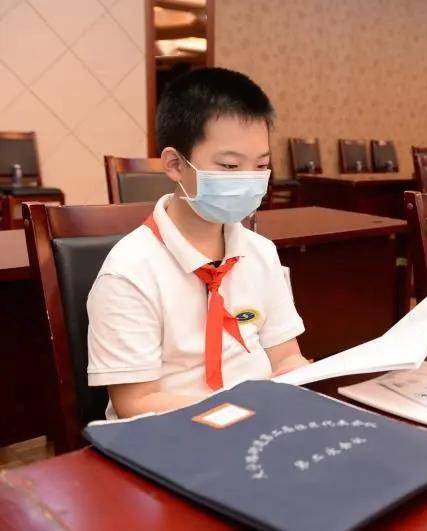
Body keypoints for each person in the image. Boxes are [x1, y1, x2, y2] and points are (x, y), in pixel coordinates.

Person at [87, 68, 309, 419]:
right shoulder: (129, 271)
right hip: (169, 432)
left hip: (258, 420)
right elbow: (136, 403)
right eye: (231, 165)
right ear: (175, 164)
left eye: (261, 165)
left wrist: (296, 376)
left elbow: (286, 355)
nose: (250, 180)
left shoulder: (260, 252)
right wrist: (240, 408)